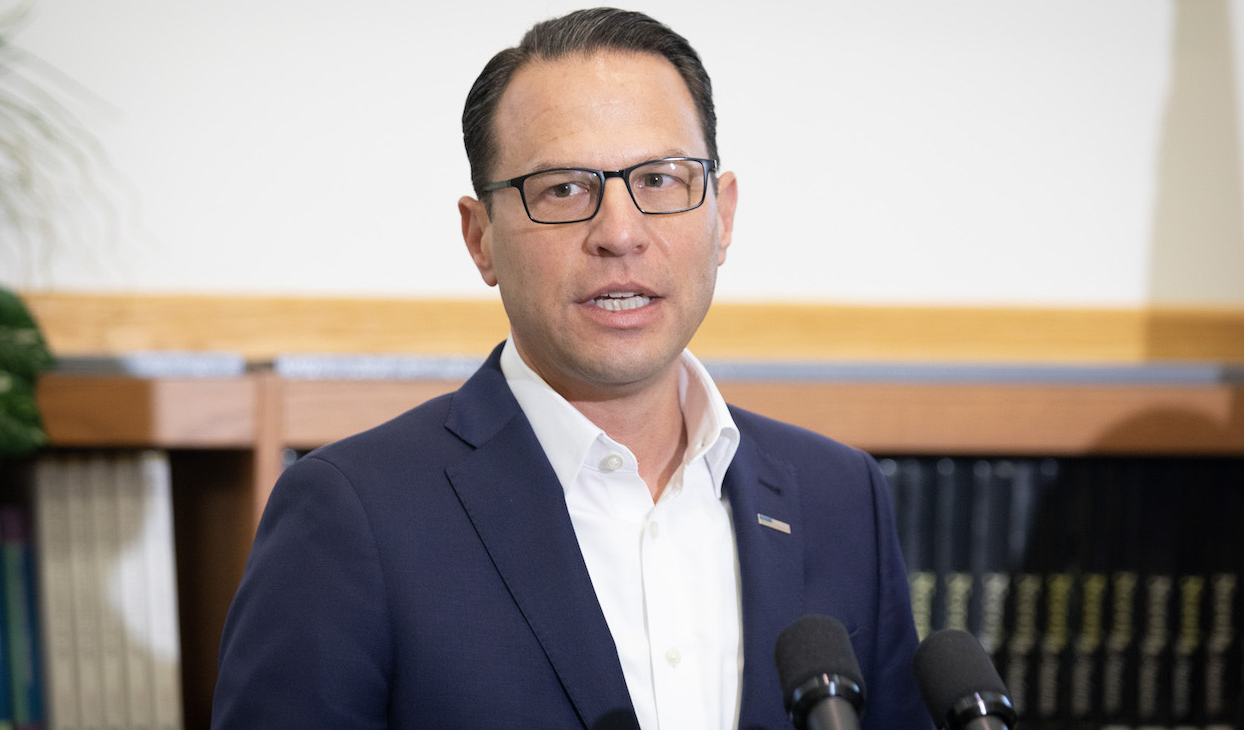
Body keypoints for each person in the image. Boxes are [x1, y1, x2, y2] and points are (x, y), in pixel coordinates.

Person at [212, 8, 931, 730]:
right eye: (563, 189)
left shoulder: (840, 497)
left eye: (660, 179)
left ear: (724, 216)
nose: (620, 234)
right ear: (480, 238)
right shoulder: (351, 517)